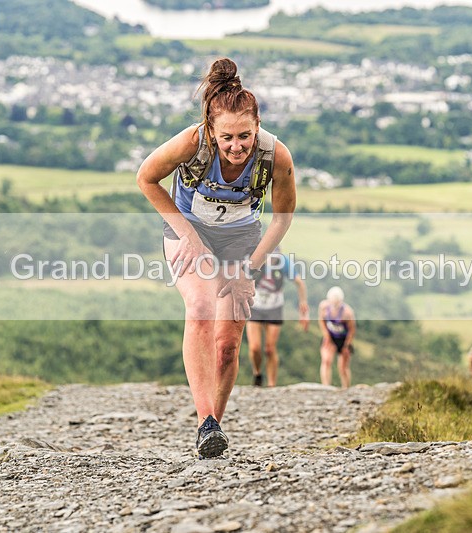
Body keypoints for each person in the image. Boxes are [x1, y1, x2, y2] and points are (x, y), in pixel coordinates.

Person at [136, 57, 297, 459]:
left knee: (228, 341)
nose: (236, 146)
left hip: (242, 239)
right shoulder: (192, 142)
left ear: (257, 126)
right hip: (189, 229)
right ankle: (204, 419)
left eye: (245, 135)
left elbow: (283, 217)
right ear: (211, 130)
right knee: (202, 305)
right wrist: (188, 236)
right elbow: (146, 177)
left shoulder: (276, 156)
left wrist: (249, 270)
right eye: (226, 137)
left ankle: (212, 431)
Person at [246, 247, 309, 387]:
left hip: (274, 307)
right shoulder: (255, 258)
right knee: (255, 347)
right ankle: (257, 373)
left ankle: (272, 384)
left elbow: (299, 282)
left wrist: (303, 303)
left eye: (275, 259)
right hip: (255, 306)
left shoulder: (284, 262)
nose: (272, 261)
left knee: (270, 348)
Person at [318, 286, 356, 389]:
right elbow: (321, 320)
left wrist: (347, 345)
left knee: (343, 367)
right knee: (326, 360)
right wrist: (326, 336)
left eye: (337, 303)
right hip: (330, 336)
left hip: (343, 339)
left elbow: (352, 330)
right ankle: (326, 386)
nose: (334, 305)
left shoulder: (347, 312)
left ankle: (346, 387)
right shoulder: (324, 307)